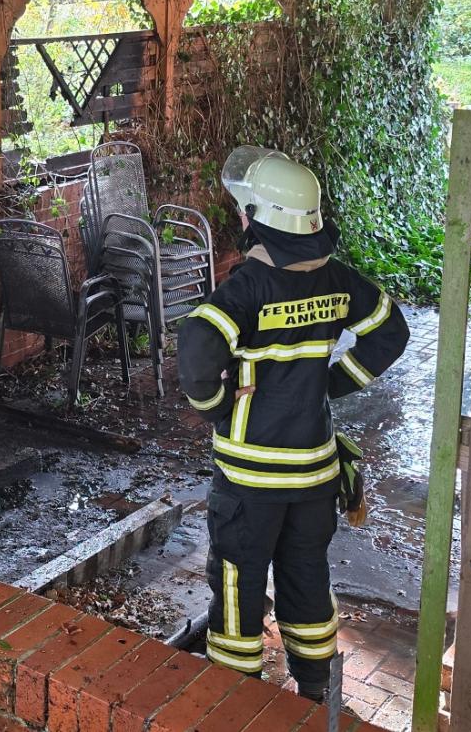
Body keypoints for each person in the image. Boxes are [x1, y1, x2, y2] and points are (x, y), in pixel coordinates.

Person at [176, 146, 409, 712]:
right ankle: (316, 697)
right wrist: (330, 385)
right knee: (306, 577)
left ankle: (234, 702)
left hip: (250, 479)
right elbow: (390, 331)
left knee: (237, 581)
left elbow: (196, 350)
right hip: (313, 474)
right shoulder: (338, 281)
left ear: (257, 217)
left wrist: (220, 409)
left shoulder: (247, 289)